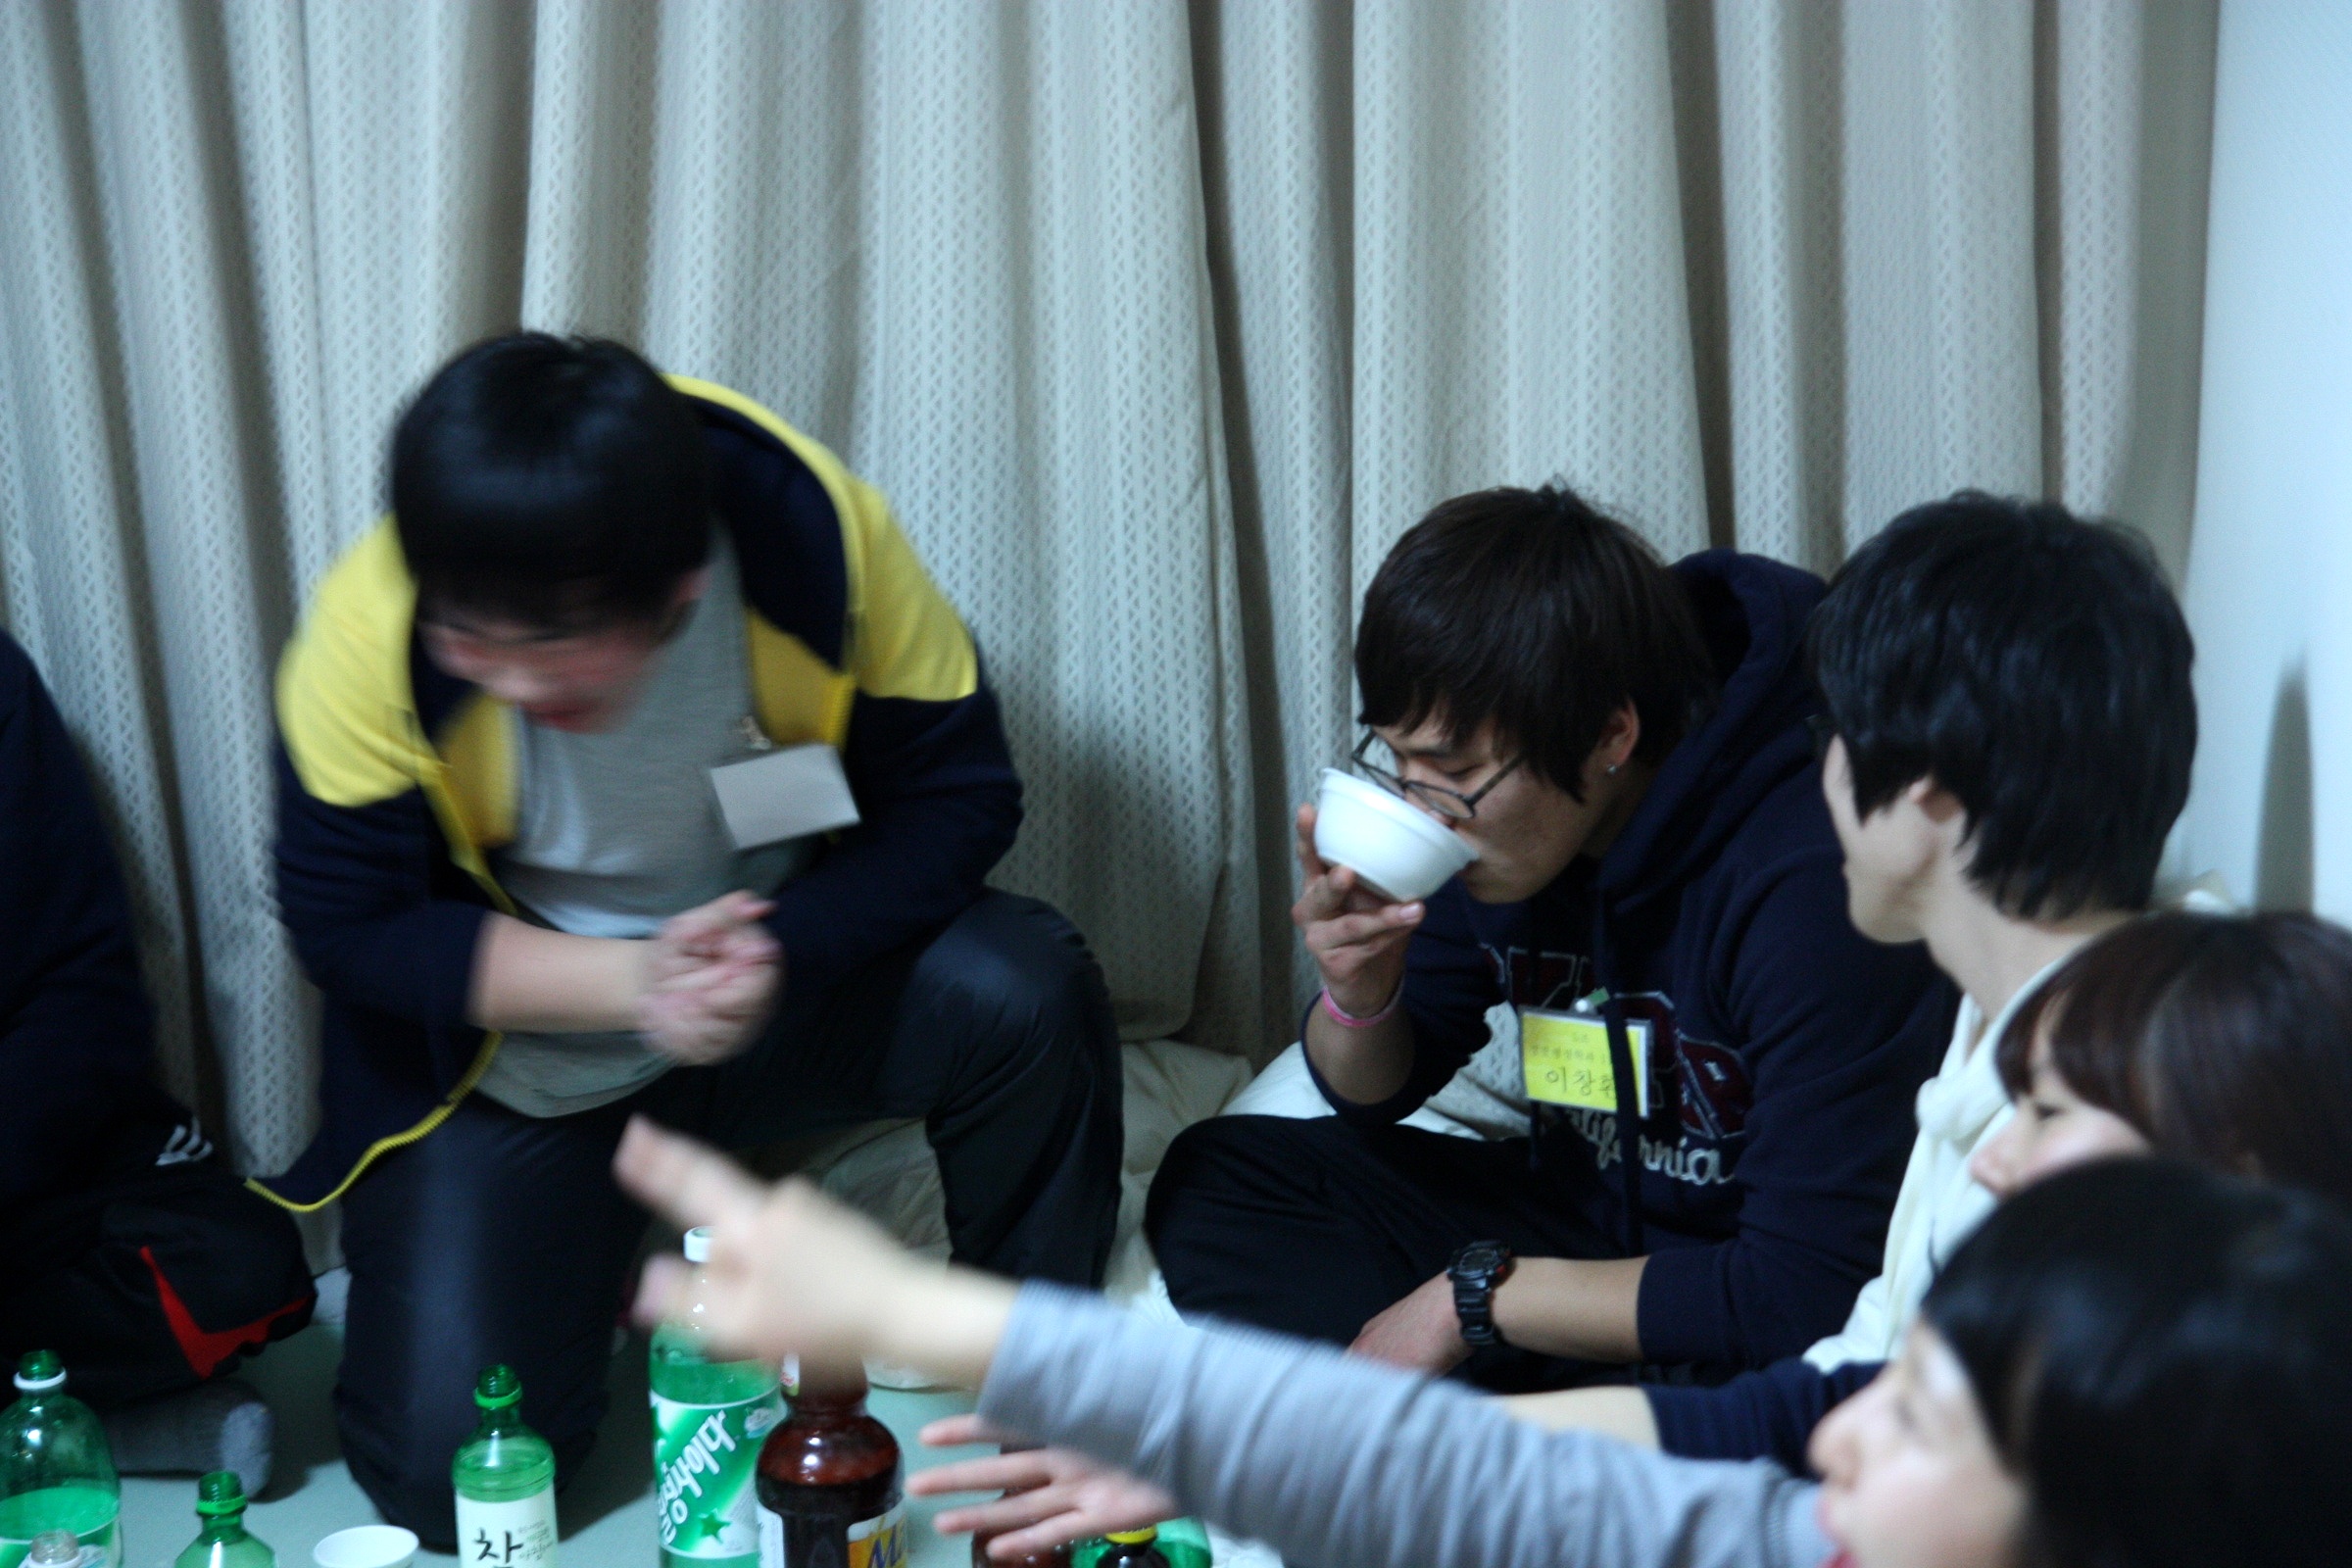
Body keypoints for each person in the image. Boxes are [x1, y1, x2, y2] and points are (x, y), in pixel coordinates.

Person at [261, 334, 1122, 1542]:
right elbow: (348, 927)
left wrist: (784, 948)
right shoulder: (374, 627)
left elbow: (962, 795)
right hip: (521, 1065)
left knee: (1025, 985)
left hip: (782, 982)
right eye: (467, 640)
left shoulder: (813, 536)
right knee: (454, 1484)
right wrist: (638, 983)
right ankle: (589, 1255)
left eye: (553, 654)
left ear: (679, 595)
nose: (504, 678)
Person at [616, 1118, 2352, 1568]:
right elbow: (1451, 1477)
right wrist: (913, 1313)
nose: (1834, 1431)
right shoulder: (1788, 1534)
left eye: (1919, 1425)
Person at [1148, 484, 1953, 1390]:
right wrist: (1359, 994)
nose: (1419, 807)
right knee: (1220, 1178)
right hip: (1580, 1230)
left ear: (1611, 735)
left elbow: (1809, 1283)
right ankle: (1464, 1421)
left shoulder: (1808, 878)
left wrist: (1472, 1301)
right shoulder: (1496, 836)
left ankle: (1509, 1428)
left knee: (1776, 1361)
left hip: (1741, 1274)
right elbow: (1375, 1094)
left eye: (1451, 768)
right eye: (1397, 758)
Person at [0, 630, 313, 1492]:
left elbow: (83, 987)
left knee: (242, 1266)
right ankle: (78, 1434)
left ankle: (47, 1430)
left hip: (39, 1160)